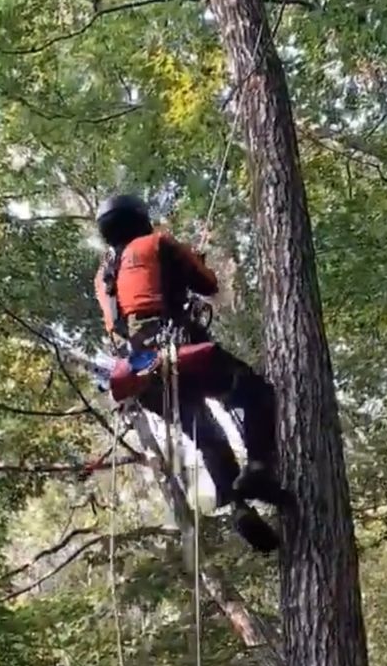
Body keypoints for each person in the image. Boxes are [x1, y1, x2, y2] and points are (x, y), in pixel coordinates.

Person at [93, 192, 289, 553]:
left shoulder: (105, 275)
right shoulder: (157, 242)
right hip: (178, 351)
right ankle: (260, 466)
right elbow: (208, 283)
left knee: (207, 436)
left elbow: (124, 318)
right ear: (140, 219)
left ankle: (238, 505)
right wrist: (193, 264)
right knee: (254, 391)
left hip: (140, 373)